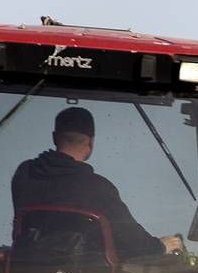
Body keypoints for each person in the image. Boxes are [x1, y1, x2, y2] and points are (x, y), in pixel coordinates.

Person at [10, 106, 183, 261]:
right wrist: (160, 246)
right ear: (91, 142)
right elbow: (131, 238)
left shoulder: (25, 173)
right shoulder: (98, 187)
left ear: (55, 138)